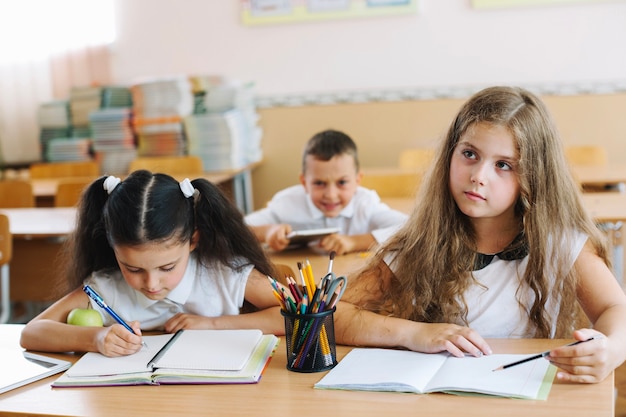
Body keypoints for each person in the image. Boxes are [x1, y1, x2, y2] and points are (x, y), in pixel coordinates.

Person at [333, 86, 626, 384]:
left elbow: (616, 308)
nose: (478, 176)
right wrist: (413, 333)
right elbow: (331, 314)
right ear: (450, 154)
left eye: (503, 165)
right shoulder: (418, 242)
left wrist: (613, 349)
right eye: (469, 154)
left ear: (533, 175)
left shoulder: (559, 243)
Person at [20, 170, 284, 357]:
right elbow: (32, 332)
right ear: (113, 249)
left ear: (193, 240)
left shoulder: (225, 274)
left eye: (167, 268)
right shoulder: (107, 288)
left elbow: (298, 316)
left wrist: (212, 324)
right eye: (133, 269)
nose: (151, 283)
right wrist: (96, 338)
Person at [245, 129, 408, 255]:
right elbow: (235, 229)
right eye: (319, 183)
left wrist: (354, 242)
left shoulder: (365, 204)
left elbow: (410, 230)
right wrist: (267, 232)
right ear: (304, 182)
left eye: (342, 183)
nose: (330, 194)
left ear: (358, 180)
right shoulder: (287, 203)